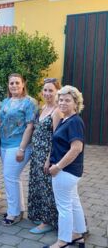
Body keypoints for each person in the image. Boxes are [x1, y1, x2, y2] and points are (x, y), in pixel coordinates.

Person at [44, 85, 86, 248]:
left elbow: (76, 148)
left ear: (76, 103)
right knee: (73, 202)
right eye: (60, 100)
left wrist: (58, 166)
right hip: (69, 171)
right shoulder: (65, 119)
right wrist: (49, 160)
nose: (62, 103)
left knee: (64, 207)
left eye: (67, 100)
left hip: (66, 171)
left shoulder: (75, 121)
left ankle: (63, 240)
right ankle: (77, 235)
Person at [0, 73, 37, 226]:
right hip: (4, 146)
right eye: (11, 83)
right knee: (13, 178)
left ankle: (13, 213)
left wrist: (21, 149)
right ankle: (18, 209)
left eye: (17, 83)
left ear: (23, 84)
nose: (14, 85)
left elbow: (30, 126)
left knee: (9, 178)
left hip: (19, 146)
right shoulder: (6, 101)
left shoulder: (29, 102)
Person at [28, 78, 62, 234]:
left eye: (51, 90)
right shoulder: (42, 108)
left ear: (57, 93)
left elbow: (57, 138)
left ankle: (48, 222)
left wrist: (49, 160)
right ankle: (41, 216)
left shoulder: (57, 111)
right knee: (39, 187)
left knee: (47, 189)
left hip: (47, 156)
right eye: (45, 90)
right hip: (36, 155)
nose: (47, 93)